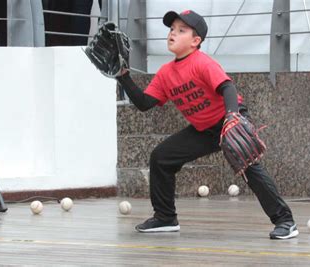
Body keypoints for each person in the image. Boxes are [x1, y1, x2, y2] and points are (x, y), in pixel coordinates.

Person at [116, 10, 299, 240]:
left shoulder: (201, 63)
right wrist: (122, 76)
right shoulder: (165, 73)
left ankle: (285, 221)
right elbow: (144, 103)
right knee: (161, 157)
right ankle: (165, 218)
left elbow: (227, 88)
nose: (173, 33)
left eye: (182, 30)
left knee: (249, 167)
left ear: (195, 41)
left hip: (229, 120)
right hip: (204, 129)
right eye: (172, 29)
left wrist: (232, 117)